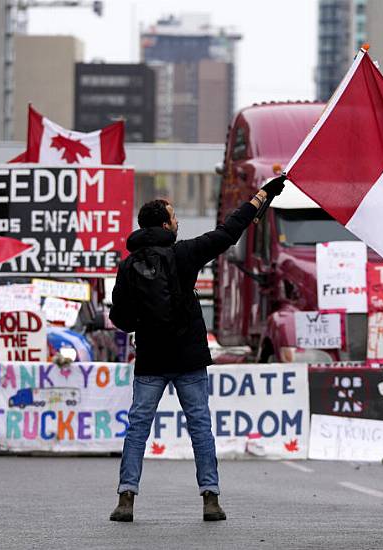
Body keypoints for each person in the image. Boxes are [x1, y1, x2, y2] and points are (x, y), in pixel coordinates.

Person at [108, 175, 286, 522]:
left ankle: (126, 497)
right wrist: (262, 196)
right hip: (188, 358)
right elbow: (227, 232)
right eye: (174, 218)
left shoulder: (128, 265)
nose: (178, 223)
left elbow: (120, 317)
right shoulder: (184, 254)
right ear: (164, 224)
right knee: (200, 427)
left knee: (137, 428)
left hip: (150, 360)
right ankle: (210, 498)